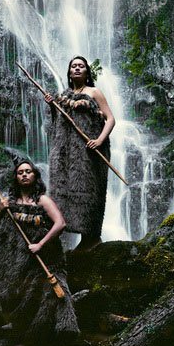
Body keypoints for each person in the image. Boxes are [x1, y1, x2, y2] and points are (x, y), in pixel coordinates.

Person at [0, 159, 79, 345]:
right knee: (20, 294)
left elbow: (60, 223)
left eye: (28, 171)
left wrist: (41, 244)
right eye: (20, 172)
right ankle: (22, 331)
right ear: (16, 177)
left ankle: (63, 333)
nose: (24, 174)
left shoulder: (42, 200)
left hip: (46, 257)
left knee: (55, 291)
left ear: (35, 176)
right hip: (18, 261)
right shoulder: (9, 203)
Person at [45, 55, 116, 251]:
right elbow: (58, 124)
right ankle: (68, 234)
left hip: (89, 150)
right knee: (65, 191)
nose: (77, 68)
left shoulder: (94, 92)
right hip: (67, 153)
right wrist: (53, 106)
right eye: (73, 66)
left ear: (87, 72)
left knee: (89, 192)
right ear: (69, 72)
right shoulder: (64, 95)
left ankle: (91, 237)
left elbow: (110, 119)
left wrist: (99, 140)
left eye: (81, 66)